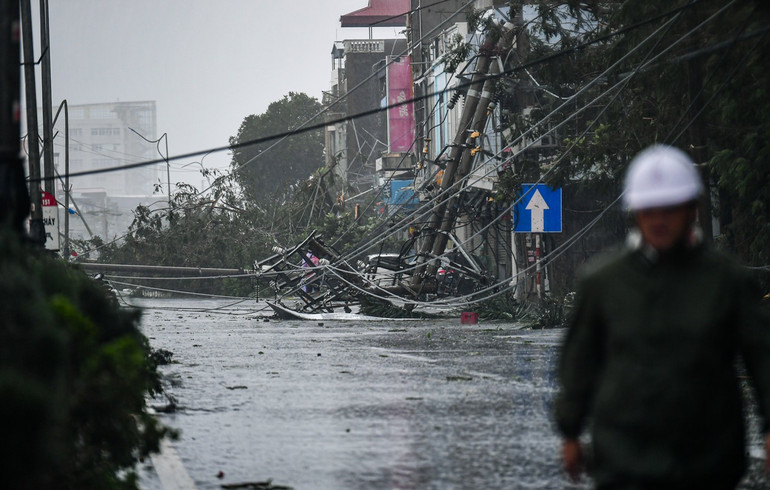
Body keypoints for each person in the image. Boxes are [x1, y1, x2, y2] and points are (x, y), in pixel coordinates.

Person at [554, 145, 770, 489]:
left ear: (691, 210)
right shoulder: (603, 282)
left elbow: (762, 356)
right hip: (623, 457)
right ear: (636, 212)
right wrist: (570, 431)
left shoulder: (727, 280)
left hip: (708, 457)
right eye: (649, 209)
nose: (659, 219)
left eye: (670, 209)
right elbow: (579, 360)